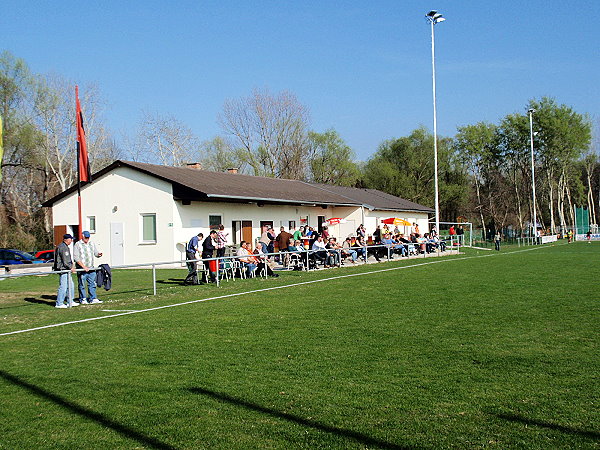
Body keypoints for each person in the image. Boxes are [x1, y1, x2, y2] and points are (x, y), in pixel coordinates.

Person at [73, 231, 103, 304]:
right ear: (82, 236)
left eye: (88, 237)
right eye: (86, 237)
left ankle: (93, 298)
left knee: (92, 283)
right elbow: (76, 258)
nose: (87, 239)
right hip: (82, 269)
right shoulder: (77, 244)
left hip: (91, 268)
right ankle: (83, 298)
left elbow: (95, 253)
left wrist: (98, 254)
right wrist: (84, 267)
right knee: (82, 284)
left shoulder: (91, 244)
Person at [53, 234, 77, 308]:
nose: (71, 240)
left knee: (71, 285)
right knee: (63, 286)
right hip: (63, 270)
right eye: (70, 239)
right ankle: (59, 303)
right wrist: (71, 268)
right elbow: (65, 260)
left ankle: (70, 301)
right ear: (66, 239)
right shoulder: (63, 247)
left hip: (66, 270)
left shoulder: (65, 247)